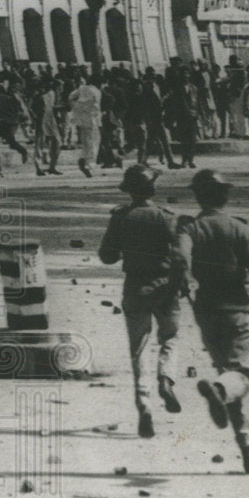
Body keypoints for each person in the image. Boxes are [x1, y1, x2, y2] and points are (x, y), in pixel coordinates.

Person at [180, 170, 249, 474]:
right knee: (237, 375)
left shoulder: (191, 229)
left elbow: (180, 260)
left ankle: (246, 443)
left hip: (205, 309)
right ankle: (219, 392)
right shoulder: (239, 229)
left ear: (197, 196)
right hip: (236, 308)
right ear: (225, 196)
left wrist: (183, 281)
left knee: (228, 377)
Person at [98, 165, 189, 440]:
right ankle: (166, 378)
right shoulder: (167, 218)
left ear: (129, 190)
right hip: (165, 287)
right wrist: (182, 282)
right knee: (170, 337)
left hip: (135, 287)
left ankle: (145, 405)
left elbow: (107, 256)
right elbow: (180, 257)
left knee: (138, 348)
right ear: (153, 189)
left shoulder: (120, 217)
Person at [164, 68, 200, 168]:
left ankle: (191, 159)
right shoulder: (176, 89)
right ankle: (184, 159)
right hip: (182, 116)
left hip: (193, 116)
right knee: (184, 139)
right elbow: (174, 104)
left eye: (187, 74)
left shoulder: (194, 88)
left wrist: (198, 114)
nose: (186, 76)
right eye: (183, 74)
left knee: (192, 138)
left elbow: (197, 102)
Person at [69, 73, 102, 177]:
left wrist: (75, 108)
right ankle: (88, 164)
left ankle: (84, 159)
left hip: (81, 119)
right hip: (93, 119)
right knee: (94, 142)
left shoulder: (82, 89)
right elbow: (96, 107)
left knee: (86, 141)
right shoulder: (97, 91)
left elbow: (71, 97)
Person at [30, 79, 62, 176]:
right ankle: (38, 167)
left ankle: (52, 166)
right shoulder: (38, 96)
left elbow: (52, 107)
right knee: (40, 144)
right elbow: (31, 108)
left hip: (52, 121)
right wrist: (34, 118)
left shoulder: (52, 94)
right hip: (41, 121)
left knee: (57, 143)